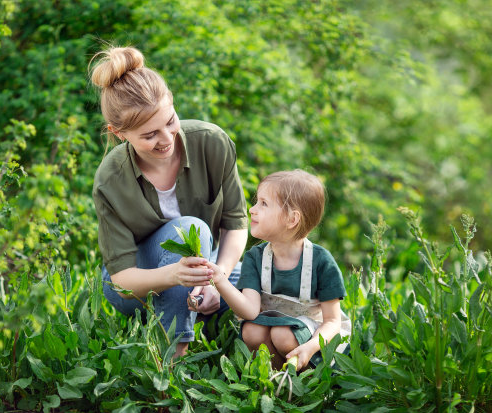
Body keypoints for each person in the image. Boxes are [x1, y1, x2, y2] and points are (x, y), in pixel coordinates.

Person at [89, 46, 248, 358]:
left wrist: (217, 281)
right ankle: (174, 359)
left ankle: (324, 346)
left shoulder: (212, 143)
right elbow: (122, 279)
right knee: (190, 230)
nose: (166, 139)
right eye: (149, 135)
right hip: (137, 288)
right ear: (118, 133)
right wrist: (175, 276)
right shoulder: (110, 180)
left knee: (264, 285)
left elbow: (236, 225)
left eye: (171, 121)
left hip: (205, 272)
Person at [206, 170, 351, 371]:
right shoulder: (255, 257)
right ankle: (272, 379)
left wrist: (310, 347)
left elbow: (333, 322)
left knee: (282, 335)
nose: (252, 210)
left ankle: (305, 381)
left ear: (292, 219)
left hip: (314, 340)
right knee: (251, 331)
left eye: (263, 204)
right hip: (273, 328)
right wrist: (220, 280)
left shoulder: (321, 261)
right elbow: (249, 311)